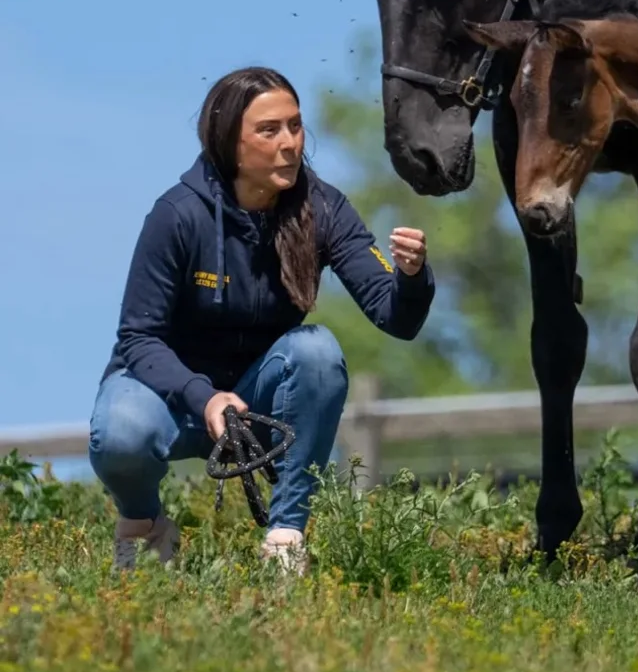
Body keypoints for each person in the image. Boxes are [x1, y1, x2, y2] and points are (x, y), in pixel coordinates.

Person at [89, 66, 434, 572]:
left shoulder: (323, 208)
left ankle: (286, 538)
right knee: (120, 432)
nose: (290, 143)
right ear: (230, 141)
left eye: (295, 126)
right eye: (269, 130)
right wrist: (203, 397)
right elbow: (139, 338)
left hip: (258, 399)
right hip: (173, 396)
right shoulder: (178, 215)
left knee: (316, 352)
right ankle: (144, 525)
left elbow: (394, 316)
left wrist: (412, 277)